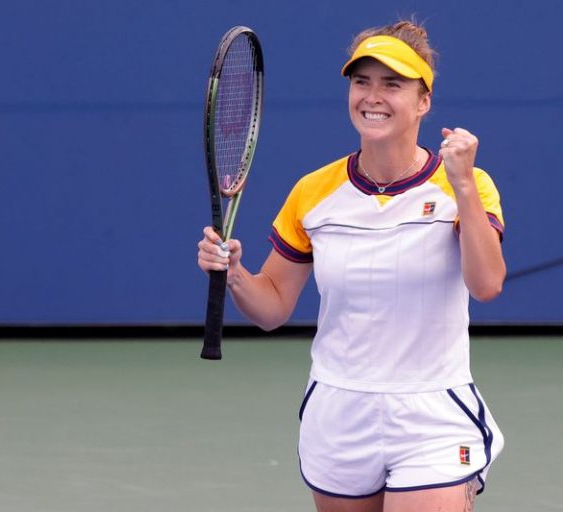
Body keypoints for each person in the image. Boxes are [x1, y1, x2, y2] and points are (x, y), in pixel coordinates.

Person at [197, 20, 505, 512]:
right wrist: (233, 273)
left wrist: (464, 184)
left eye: (392, 84)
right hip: (340, 412)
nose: (373, 96)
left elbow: (487, 284)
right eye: (362, 82)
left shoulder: (466, 184)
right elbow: (272, 307)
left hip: (431, 412)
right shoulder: (313, 192)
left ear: (423, 102)